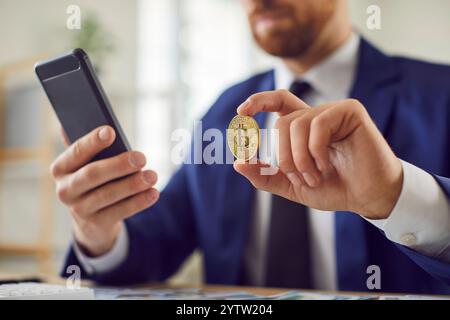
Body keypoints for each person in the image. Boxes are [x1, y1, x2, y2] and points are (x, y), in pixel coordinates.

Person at [52, 0, 450, 293]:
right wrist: (98, 232)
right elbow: (153, 246)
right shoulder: (222, 112)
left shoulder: (441, 95)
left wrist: (398, 196)